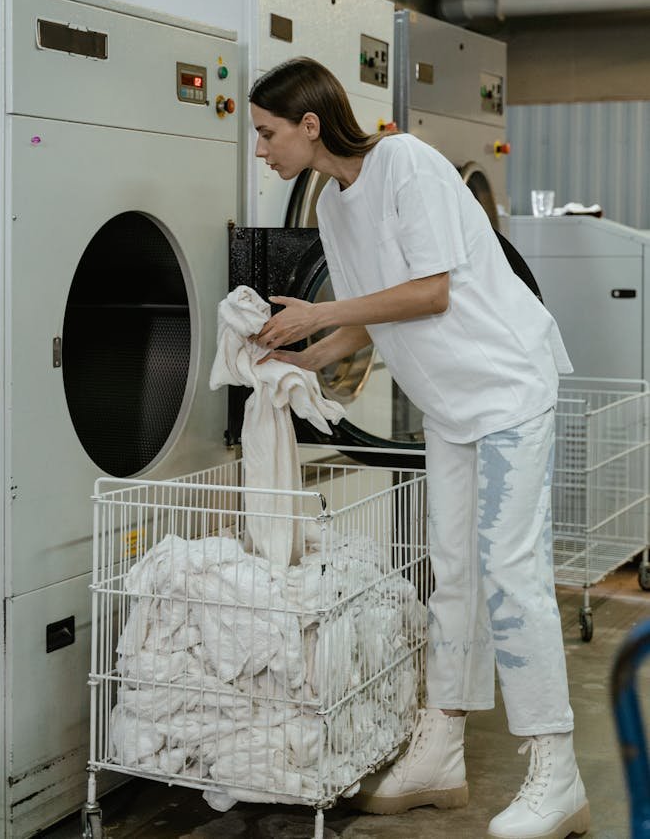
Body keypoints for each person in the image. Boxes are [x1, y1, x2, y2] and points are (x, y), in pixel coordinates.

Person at [247, 56, 590, 839]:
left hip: (506, 387)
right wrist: (307, 355)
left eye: (267, 133)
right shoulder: (332, 208)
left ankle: (558, 767)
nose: (261, 149)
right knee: (455, 570)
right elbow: (373, 312)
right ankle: (442, 748)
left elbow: (431, 290)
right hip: (449, 403)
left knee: (511, 571)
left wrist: (318, 315)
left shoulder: (404, 162)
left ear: (309, 124)